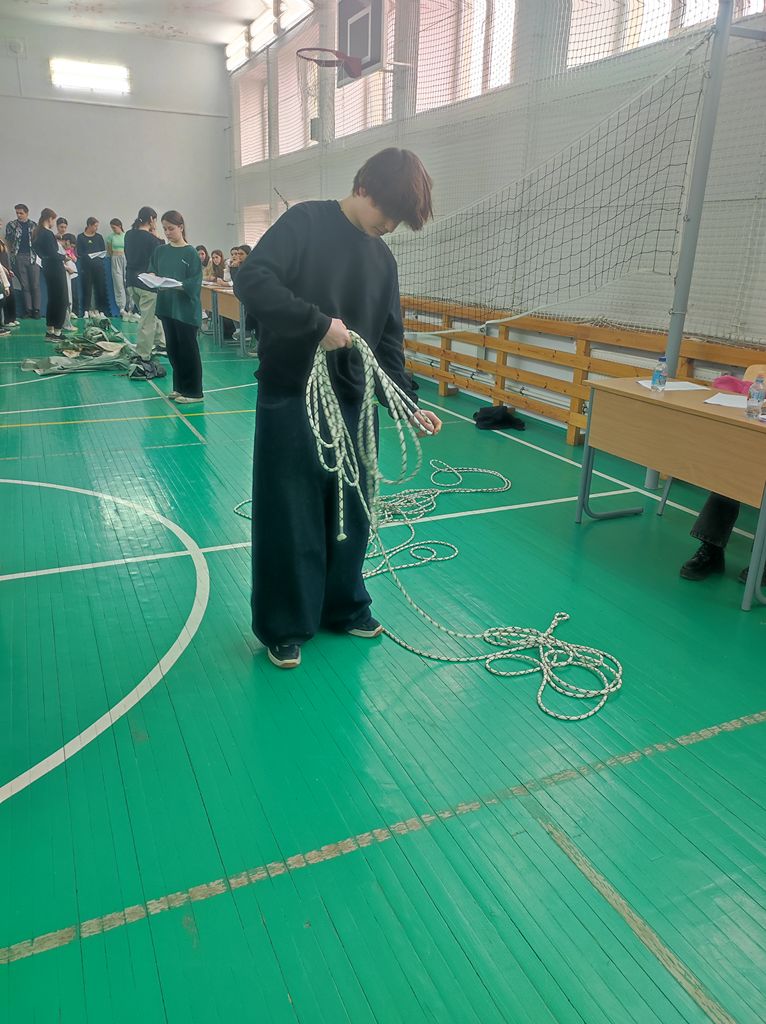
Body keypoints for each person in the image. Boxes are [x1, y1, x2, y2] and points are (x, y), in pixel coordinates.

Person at [234, 147, 442, 669]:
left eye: (399, 221)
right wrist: (318, 325)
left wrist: (405, 403)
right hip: (291, 395)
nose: (389, 225)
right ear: (363, 187)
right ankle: (285, 623)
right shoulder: (305, 223)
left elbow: (388, 341)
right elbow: (252, 280)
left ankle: (344, 605)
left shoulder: (383, 260)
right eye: (387, 212)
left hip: (354, 403)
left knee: (353, 510)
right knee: (291, 514)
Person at [148, 210, 203, 403]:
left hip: (185, 310)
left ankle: (194, 392)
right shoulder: (160, 251)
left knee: (188, 351)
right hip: (167, 307)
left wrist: (179, 285)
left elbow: (195, 282)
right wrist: (152, 277)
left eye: (171, 228)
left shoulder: (190, 253)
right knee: (173, 350)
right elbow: (153, 270)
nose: (167, 232)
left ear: (181, 227)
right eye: (164, 229)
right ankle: (179, 387)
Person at [124, 206, 165, 356]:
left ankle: (161, 343)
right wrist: (157, 237)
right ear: (151, 219)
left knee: (150, 315)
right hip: (147, 283)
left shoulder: (128, 234)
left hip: (131, 281)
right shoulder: (152, 239)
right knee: (147, 320)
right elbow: (161, 254)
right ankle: (143, 354)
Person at [32, 208, 68, 342]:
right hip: (56, 268)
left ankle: (50, 330)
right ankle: (57, 331)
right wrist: (64, 257)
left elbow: (40, 250)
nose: (53, 223)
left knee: (53, 299)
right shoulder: (47, 234)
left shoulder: (37, 233)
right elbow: (53, 253)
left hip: (46, 267)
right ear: (49, 219)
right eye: (53, 220)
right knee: (62, 299)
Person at [5, 204, 40, 318]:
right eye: (17, 213)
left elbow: (38, 241)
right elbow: (8, 241)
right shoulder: (12, 225)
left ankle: (36, 309)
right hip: (19, 256)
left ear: (27, 213)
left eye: (21, 213)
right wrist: (11, 255)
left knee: (35, 284)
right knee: (25, 285)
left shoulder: (34, 225)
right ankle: (28, 310)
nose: (19, 215)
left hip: (33, 256)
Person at [76, 217, 108, 317]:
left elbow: (102, 250)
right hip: (86, 267)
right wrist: (88, 256)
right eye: (95, 226)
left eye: (97, 226)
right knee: (87, 288)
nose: (96, 228)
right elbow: (79, 252)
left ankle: (101, 310)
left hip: (98, 266)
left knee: (100, 288)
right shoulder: (81, 237)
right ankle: (86, 310)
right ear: (89, 225)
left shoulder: (99, 237)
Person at [107, 218, 129, 317]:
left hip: (125, 258)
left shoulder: (126, 236)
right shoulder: (110, 237)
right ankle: (121, 308)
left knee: (127, 282)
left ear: (119, 226)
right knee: (118, 283)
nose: (113, 230)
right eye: (112, 228)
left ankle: (130, 307)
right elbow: (109, 250)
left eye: (114, 227)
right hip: (115, 259)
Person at [0, 226, 19, 328]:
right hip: (2, 272)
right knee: (5, 296)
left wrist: (9, 269)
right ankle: (6, 320)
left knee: (11, 295)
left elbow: (5, 258)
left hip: (7, 271)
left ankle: (12, 318)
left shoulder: (1, 240)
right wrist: (4, 270)